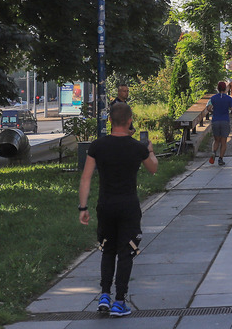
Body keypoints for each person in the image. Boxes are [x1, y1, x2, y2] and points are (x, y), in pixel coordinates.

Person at [78, 102, 158, 317]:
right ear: (130, 121)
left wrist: (83, 207)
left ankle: (104, 294)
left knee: (107, 249)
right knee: (126, 253)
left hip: (105, 206)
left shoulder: (97, 146)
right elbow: (153, 168)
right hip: (129, 206)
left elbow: (86, 178)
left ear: (110, 121)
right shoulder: (137, 148)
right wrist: (150, 150)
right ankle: (120, 301)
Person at [208, 80, 232, 165]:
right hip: (225, 120)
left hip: (215, 120)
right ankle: (220, 158)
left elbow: (208, 108)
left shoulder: (213, 98)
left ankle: (213, 152)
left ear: (217, 88)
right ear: (225, 89)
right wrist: (230, 112)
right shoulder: (229, 99)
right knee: (223, 141)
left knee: (216, 140)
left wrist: (213, 111)